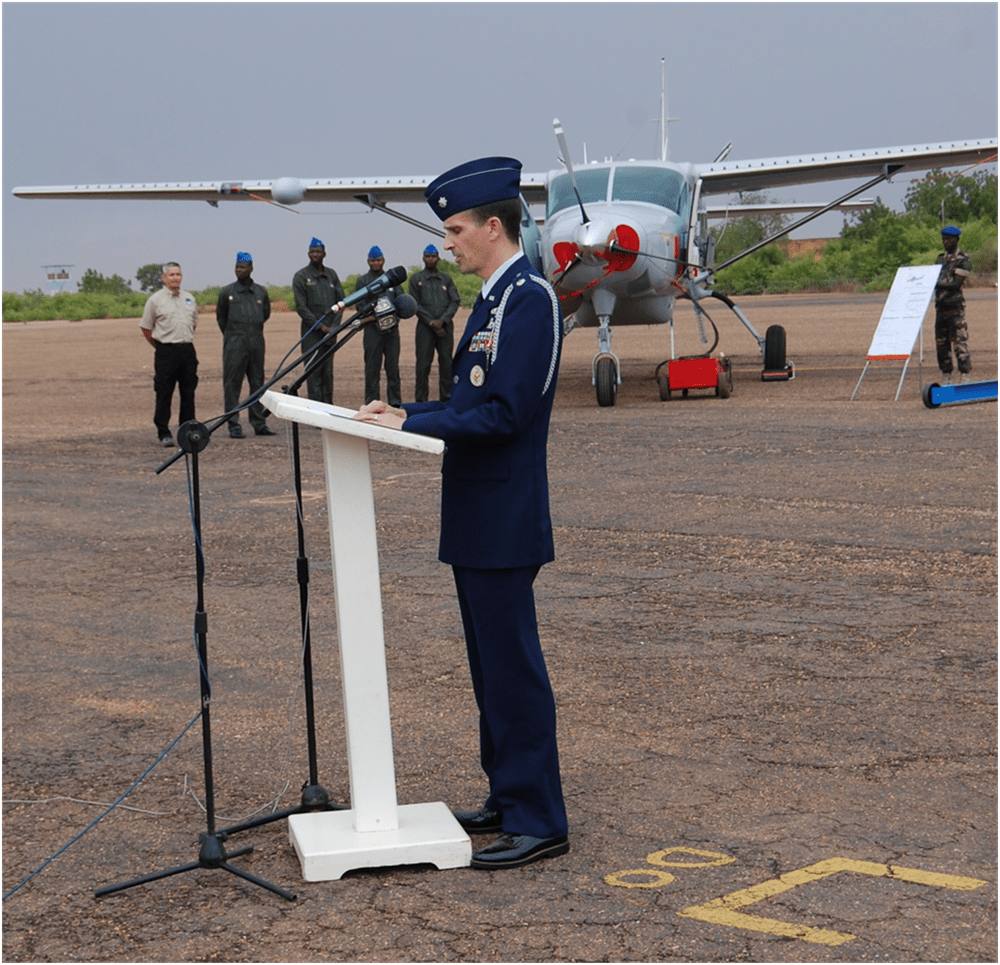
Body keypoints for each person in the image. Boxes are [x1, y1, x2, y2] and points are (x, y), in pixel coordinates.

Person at [356, 157, 567, 870]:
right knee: (488, 671)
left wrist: (413, 424)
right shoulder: (493, 299)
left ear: (493, 227)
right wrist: (401, 411)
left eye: (454, 231)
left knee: (513, 672)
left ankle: (539, 818)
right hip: (476, 513)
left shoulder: (529, 300)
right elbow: (467, 402)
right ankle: (508, 796)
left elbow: (505, 414)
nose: (446, 244)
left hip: (504, 513)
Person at [216, 252, 275, 438]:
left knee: (257, 383)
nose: (239, 270)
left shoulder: (260, 292)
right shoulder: (227, 292)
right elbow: (221, 318)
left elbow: (265, 314)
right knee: (232, 385)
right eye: (237, 267)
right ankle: (233, 424)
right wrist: (233, 336)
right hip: (235, 343)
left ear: (251, 268)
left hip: (256, 342)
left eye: (242, 267)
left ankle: (259, 423)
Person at [139, 262, 198, 447]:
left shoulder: (189, 298)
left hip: (187, 350)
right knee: (164, 393)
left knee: (188, 393)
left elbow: (193, 323)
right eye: (171, 275)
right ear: (164, 278)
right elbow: (146, 327)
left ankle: (187, 430)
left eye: (178, 274)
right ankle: (163, 432)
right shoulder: (155, 300)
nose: (175, 278)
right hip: (166, 351)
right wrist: (160, 346)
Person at [292, 238, 344, 404]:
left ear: (324, 254)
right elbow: (301, 308)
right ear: (308, 254)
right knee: (313, 372)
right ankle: (315, 409)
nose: (315, 255)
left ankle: (328, 408)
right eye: (312, 252)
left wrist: (334, 328)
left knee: (327, 372)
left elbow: (341, 303)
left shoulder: (332, 275)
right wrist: (321, 327)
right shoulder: (301, 276)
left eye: (318, 252)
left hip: (331, 333)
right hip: (312, 333)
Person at [410, 244, 461, 402]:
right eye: (428, 257)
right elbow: (415, 304)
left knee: (446, 365)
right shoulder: (416, 279)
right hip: (425, 329)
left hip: (445, 328)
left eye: (433, 257)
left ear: (438, 258)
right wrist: (432, 322)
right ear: (423, 258)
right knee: (423, 366)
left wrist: (443, 320)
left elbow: (455, 300)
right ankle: (421, 402)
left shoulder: (446, 279)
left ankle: (447, 401)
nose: (430, 259)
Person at [355, 246, 404, 407]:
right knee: (372, 371)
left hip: (392, 331)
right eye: (372, 260)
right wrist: (376, 319)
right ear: (368, 262)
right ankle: (372, 405)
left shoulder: (392, 279)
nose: (375, 263)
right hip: (372, 331)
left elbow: (402, 303)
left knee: (393, 370)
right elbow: (359, 307)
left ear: (383, 261)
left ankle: (395, 405)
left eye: (378, 260)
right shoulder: (363, 281)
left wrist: (392, 319)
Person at [934, 225, 973, 384]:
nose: (945, 242)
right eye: (944, 239)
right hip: (940, 308)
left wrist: (935, 284)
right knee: (941, 344)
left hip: (955, 308)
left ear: (956, 240)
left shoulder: (963, 260)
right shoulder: (940, 260)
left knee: (959, 342)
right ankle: (946, 375)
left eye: (949, 239)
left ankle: (964, 375)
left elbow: (956, 284)